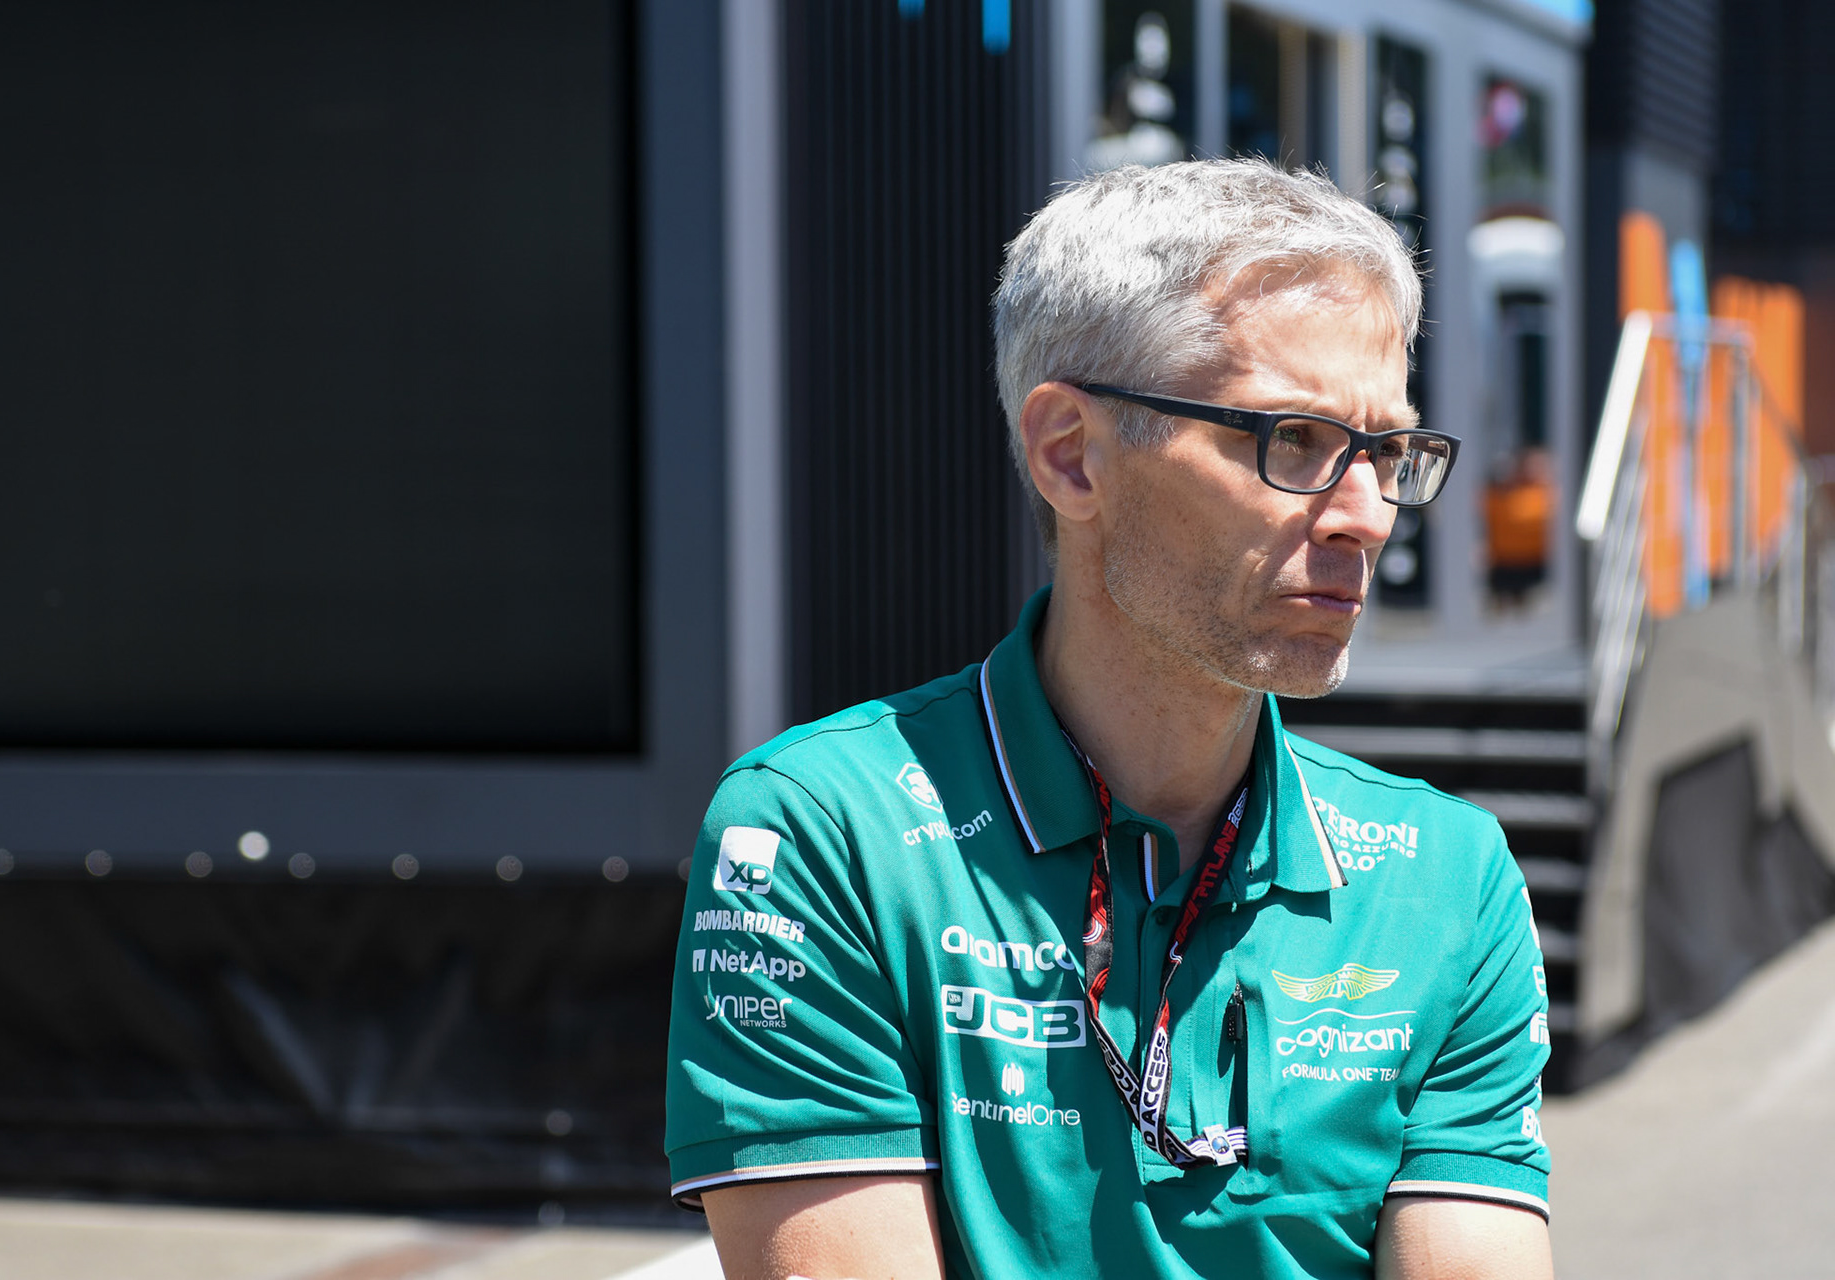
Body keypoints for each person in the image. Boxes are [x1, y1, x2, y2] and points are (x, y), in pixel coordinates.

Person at [665, 158, 1553, 1279]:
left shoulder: (1444, 874)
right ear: (1071, 455)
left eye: (1385, 452)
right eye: (1295, 440)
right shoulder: (824, 834)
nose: (1368, 516)